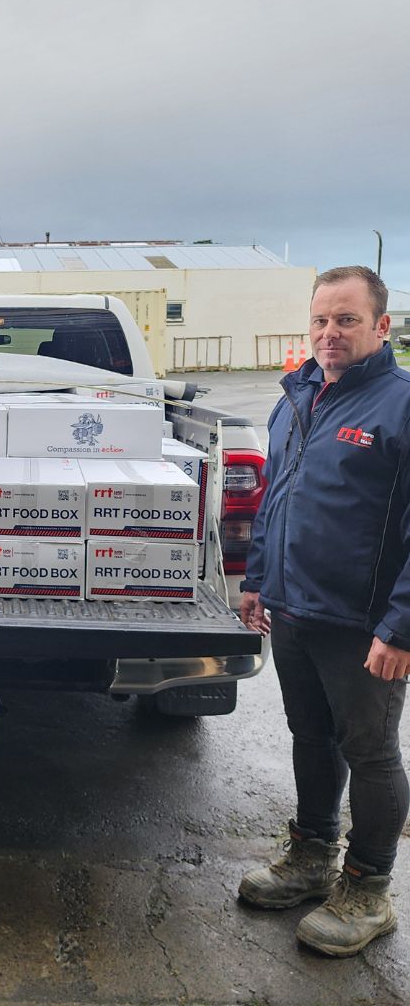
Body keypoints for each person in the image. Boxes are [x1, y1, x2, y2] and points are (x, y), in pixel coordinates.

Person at [239, 265, 410, 957]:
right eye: (319, 320)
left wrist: (401, 627)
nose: (329, 333)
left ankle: (368, 890)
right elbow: (276, 497)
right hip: (293, 610)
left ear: (381, 325)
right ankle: (312, 859)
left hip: (363, 626)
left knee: (370, 754)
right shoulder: (298, 395)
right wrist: (255, 581)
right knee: (310, 739)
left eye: (345, 319)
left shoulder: (399, 406)